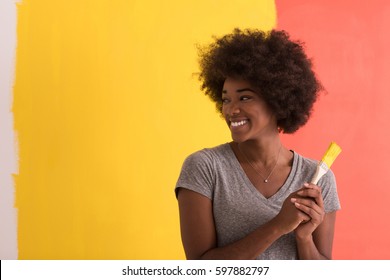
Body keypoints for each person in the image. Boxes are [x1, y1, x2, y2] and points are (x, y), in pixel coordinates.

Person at [175, 29, 340, 260]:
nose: (231, 110)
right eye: (226, 99)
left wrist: (304, 237)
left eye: (244, 98)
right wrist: (279, 226)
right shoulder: (205, 168)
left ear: (277, 100)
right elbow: (199, 268)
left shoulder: (318, 178)